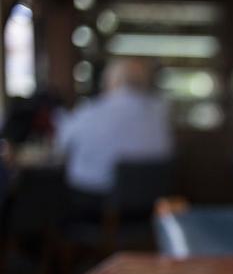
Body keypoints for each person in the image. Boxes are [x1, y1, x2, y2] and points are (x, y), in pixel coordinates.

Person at [55, 58, 172, 209]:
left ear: (112, 80)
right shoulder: (160, 115)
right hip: (150, 206)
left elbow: (61, 143)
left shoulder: (91, 111)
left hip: (97, 205)